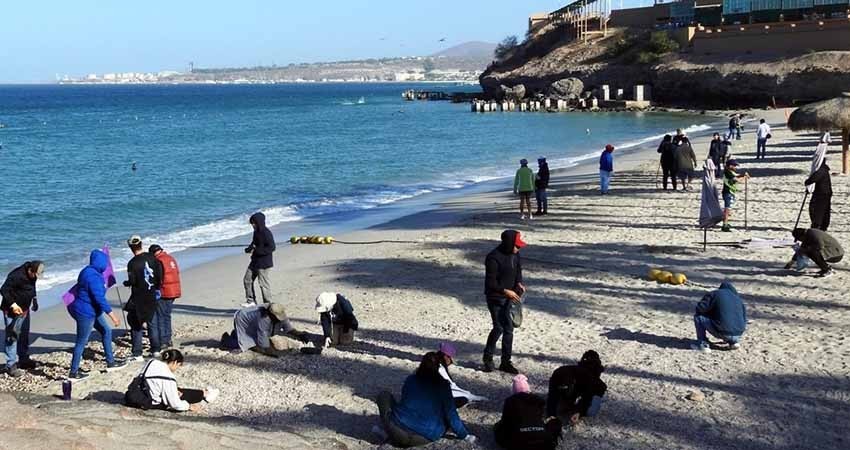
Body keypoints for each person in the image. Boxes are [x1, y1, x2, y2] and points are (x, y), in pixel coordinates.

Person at [374, 352, 476, 447]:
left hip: (397, 429)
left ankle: (388, 435)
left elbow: (404, 400)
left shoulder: (411, 380)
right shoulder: (443, 385)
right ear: (438, 367)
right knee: (446, 413)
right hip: (424, 437)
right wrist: (465, 436)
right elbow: (452, 415)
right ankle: (393, 439)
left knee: (384, 395)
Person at [68, 250, 126, 379]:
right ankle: (73, 372)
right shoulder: (93, 277)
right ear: (100, 263)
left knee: (106, 331)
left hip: (93, 309)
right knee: (81, 341)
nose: (106, 266)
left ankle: (110, 362)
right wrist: (113, 316)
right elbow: (99, 298)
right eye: (105, 263)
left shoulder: (87, 271)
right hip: (85, 312)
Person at [483, 230, 526, 374]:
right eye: (517, 246)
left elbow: (518, 269)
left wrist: (519, 283)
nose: (518, 249)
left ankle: (505, 362)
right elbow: (490, 283)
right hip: (496, 298)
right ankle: (487, 358)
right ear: (508, 244)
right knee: (499, 327)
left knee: (509, 329)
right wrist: (505, 291)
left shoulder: (515, 254)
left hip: (511, 297)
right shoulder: (493, 258)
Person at [134, 349, 219, 412]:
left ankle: (204, 393)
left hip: (138, 393)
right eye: (179, 365)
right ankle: (205, 394)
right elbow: (174, 404)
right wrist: (189, 406)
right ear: (175, 362)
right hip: (150, 401)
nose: (177, 368)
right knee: (182, 394)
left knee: (176, 390)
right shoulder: (168, 376)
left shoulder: (151, 362)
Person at [495, 374, 562, 450]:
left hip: (518, 443)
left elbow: (505, 421)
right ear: (528, 389)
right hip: (543, 441)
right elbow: (539, 419)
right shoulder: (538, 400)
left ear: (514, 390)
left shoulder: (510, 401)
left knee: (498, 428)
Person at [2, 261, 44, 377]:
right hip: (12, 311)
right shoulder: (16, 276)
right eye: (35, 274)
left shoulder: (32, 276)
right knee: (12, 336)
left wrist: (34, 300)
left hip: (25, 310)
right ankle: (10, 365)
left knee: (24, 334)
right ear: (31, 270)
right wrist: (13, 305)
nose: (36, 277)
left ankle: (23, 359)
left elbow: (32, 287)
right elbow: (4, 290)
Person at [123, 235, 162, 360]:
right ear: (141, 244)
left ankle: (137, 352)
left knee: (136, 323)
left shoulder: (132, 263)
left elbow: (133, 280)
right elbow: (160, 273)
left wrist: (127, 283)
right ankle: (156, 349)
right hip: (152, 294)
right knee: (152, 322)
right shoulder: (152, 257)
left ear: (131, 248)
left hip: (139, 296)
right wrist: (157, 287)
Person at [220, 303, 307, 356]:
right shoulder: (264, 319)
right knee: (247, 344)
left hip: (252, 320)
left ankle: (236, 334)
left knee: (250, 335)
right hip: (242, 318)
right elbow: (263, 343)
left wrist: (300, 334)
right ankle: (226, 339)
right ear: (271, 315)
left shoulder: (279, 311)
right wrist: (274, 353)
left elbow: (288, 328)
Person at [546, 350, 607, 424]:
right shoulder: (557, 375)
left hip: (595, 389)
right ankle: (568, 402)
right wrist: (551, 414)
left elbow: (587, 397)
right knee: (560, 406)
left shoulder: (589, 380)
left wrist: (579, 412)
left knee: (590, 412)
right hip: (572, 383)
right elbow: (552, 396)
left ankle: (580, 405)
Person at [691, 281, 746, 352]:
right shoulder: (738, 299)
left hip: (723, 331)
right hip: (738, 334)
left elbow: (700, 309)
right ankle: (734, 342)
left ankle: (703, 345)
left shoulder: (715, 294)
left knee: (698, 317)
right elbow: (744, 319)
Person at [149, 244, 181, 355]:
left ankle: (164, 341)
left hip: (165, 291)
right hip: (174, 290)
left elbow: (159, 278)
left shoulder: (159, 261)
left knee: (161, 316)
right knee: (167, 315)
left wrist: (156, 289)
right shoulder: (170, 258)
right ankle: (168, 339)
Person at [436, 342, 486, 408]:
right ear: (445, 356)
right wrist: (470, 396)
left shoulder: (435, 363)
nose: (450, 363)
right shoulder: (439, 368)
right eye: (450, 360)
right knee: (463, 399)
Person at [243, 212, 276, 307]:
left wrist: (257, 251)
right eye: (252, 223)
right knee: (247, 280)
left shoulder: (266, 233)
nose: (252, 225)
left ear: (259, 222)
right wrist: (249, 249)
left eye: (254, 223)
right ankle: (251, 301)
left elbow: (272, 247)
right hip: (255, 261)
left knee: (263, 284)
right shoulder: (256, 232)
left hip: (264, 263)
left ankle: (268, 305)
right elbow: (254, 243)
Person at [805, 152, 832, 232]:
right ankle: (823, 225)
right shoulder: (824, 169)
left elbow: (814, 178)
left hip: (821, 193)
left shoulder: (821, 170)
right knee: (824, 209)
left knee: (817, 209)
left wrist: (807, 181)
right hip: (825, 192)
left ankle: (818, 225)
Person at [721, 159, 750, 232]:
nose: (736, 167)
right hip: (728, 192)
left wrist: (743, 174)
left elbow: (737, 175)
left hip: (730, 192)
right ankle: (725, 225)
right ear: (730, 166)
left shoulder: (730, 172)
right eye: (735, 166)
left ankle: (726, 222)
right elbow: (737, 180)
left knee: (728, 210)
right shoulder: (728, 173)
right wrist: (744, 178)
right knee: (727, 210)